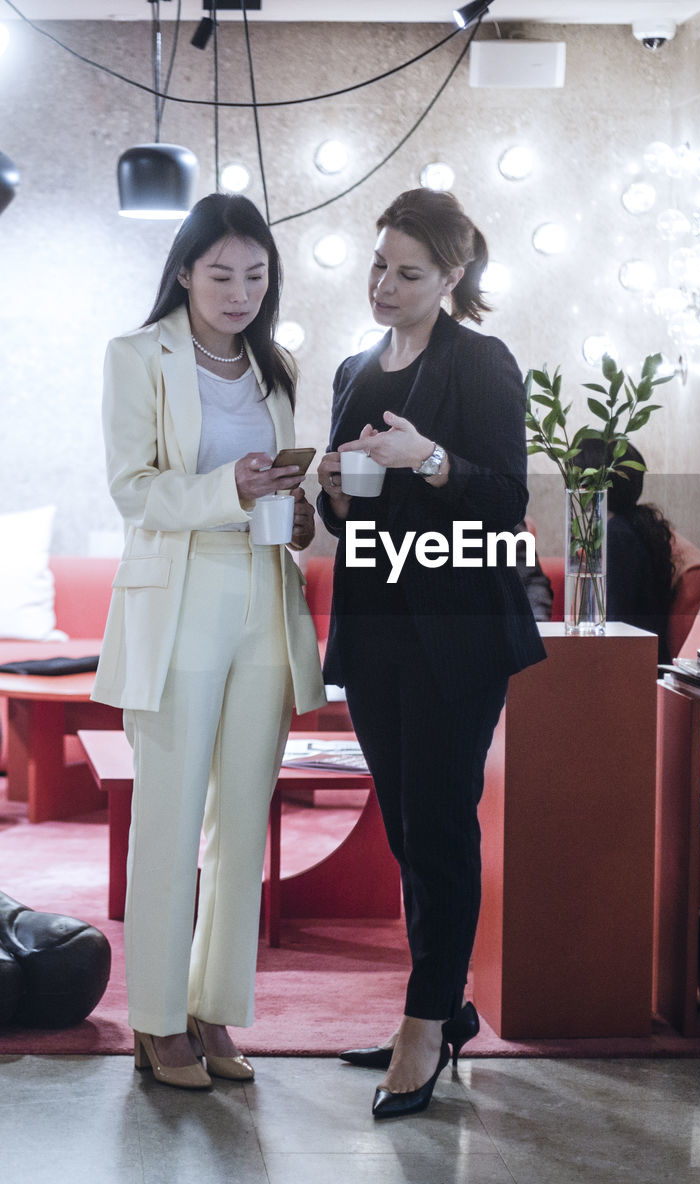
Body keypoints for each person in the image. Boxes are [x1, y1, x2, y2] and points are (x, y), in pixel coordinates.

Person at [316, 187, 545, 1119]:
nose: (385, 285)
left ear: (451, 276)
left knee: (442, 826)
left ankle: (423, 1028)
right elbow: (348, 520)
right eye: (378, 265)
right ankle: (441, 1008)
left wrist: (431, 460)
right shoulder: (351, 370)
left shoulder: (481, 362)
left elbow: (505, 501)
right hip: (375, 633)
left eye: (408, 273)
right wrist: (331, 490)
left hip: (456, 636)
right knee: (407, 831)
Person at [91, 193, 326, 1089]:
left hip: (264, 593)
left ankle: (212, 1010)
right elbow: (134, 490)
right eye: (221, 273)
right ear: (185, 271)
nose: (239, 292)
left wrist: (293, 511)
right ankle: (154, 1020)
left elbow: (271, 493)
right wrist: (229, 483)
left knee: (242, 820)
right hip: (179, 595)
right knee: (171, 814)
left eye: (256, 275)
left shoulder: (277, 366)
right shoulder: (135, 356)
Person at [577, 437, 675, 660]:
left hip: (630, 669)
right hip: (634, 662)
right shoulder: (629, 527)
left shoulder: (618, 537)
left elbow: (615, 626)